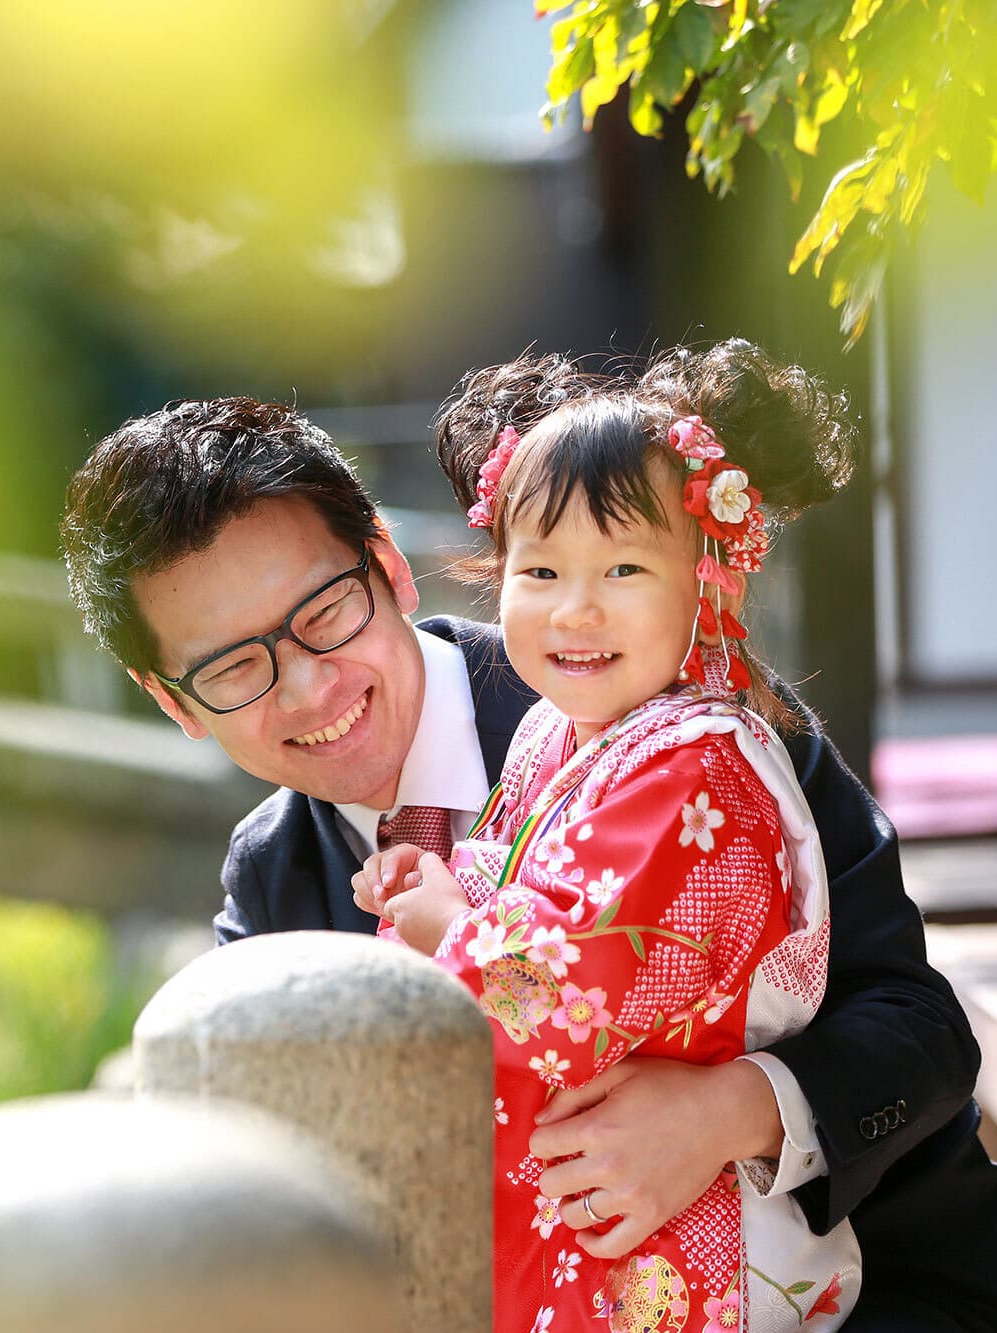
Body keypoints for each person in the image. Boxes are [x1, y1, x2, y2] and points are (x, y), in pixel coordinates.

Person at [59, 387, 997, 1331]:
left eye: (324, 614)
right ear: (174, 702)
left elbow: (920, 1029)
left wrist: (729, 1113)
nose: (307, 689)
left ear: (389, 563)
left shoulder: (673, 715)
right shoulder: (273, 883)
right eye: (233, 667)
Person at [352, 341, 864, 1328]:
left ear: (707, 577)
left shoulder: (699, 758)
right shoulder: (563, 728)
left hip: (670, 1223)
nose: (574, 607)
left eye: (622, 566)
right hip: (583, 1207)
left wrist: (445, 922)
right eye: (539, 568)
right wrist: (443, 881)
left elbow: (573, 993)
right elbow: (520, 897)